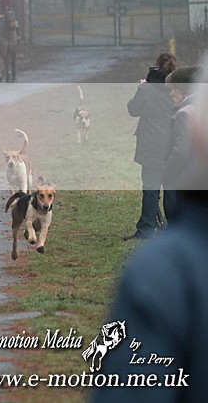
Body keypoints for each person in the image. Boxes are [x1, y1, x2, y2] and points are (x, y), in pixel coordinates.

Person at [89, 62, 208, 403]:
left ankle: (147, 223)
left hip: (159, 152)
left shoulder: (163, 269)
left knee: (150, 191)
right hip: (165, 151)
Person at [124, 53, 177, 240]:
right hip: (174, 142)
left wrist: (142, 86)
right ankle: (174, 229)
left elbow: (133, 109)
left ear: (156, 66)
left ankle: (147, 228)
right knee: (171, 188)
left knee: (151, 187)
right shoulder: (178, 87)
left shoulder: (146, 88)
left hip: (152, 144)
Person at [162, 65, 203, 220]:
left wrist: (166, 174)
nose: (171, 94)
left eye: (173, 89)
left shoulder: (184, 113)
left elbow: (180, 151)